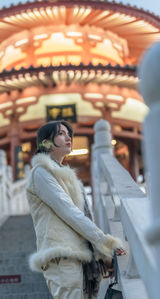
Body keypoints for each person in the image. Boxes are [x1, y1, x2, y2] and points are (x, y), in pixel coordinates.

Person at [27, 120, 126, 299]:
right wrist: (104, 241)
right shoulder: (40, 172)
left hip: (83, 258)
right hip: (62, 255)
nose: (68, 137)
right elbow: (69, 211)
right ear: (46, 143)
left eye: (68, 133)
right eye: (60, 134)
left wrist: (101, 253)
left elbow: (81, 215)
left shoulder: (68, 177)